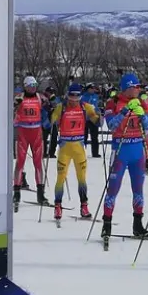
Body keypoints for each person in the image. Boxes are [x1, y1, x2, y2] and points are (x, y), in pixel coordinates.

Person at [100, 73, 148, 240]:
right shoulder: (113, 102)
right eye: (135, 87)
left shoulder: (141, 102)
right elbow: (110, 125)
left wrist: (141, 114)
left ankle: (138, 225)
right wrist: (124, 111)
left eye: (139, 87)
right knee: (113, 189)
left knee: (138, 189)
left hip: (137, 150)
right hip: (120, 150)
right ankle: (106, 224)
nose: (138, 90)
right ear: (127, 88)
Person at [50, 84, 99, 221]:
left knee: (82, 178)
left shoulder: (85, 107)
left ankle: (84, 206)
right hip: (65, 148)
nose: (74, 99)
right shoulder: (62, 107)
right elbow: (52, 120)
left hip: (79, 148)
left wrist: (98, 116)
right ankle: (58, 206)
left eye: (77, 96)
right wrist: (52, 118)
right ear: (67, 95)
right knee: (61, 177)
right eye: (72, 96)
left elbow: (96, 120)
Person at [13, 76, 50, 208]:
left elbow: (48, 108)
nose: (32, 88)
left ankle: (40, 193)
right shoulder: (19, 97)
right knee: (20, 162)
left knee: (38, 163)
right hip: (23, 132)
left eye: (34, 85)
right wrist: (15, 105)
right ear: (25, 86)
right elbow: (11, 111)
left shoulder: (40, 97)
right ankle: (16, 192)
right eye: (30, 86)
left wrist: (51, 107)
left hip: (36, 133)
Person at [83, 84, 103, 158]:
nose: (92, 90)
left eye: (93, 88)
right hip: (85, 119)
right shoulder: (83, 97)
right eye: (91, 88)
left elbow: (98, 106)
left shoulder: (96, 96)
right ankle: (80, 152)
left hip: (94, 118)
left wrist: (99, 111)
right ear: (88, 89)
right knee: (83, 136)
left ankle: (95, 153)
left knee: (94, 136)